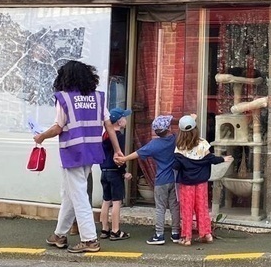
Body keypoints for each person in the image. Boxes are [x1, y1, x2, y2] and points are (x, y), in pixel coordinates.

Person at [35, 60, 119, 253]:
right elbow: (108, 124)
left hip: (72, 152)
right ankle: (59, 234)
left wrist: (40, 137)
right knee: (70, 194)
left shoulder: (64, 98)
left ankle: (89, 240)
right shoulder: (98, 97)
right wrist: (117, 150)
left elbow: (58, 127)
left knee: (78, 195)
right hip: (91, 151)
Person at [116, 114, 181, 245]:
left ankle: (159, 234)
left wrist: (123, 159)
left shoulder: (154, 144)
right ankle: (175, 233)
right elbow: (185, 132)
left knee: (160, 208)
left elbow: (138, 153)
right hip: (174, 179)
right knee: (175, 206)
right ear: (168, 128)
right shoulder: (175, 139)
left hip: (161, 180)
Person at [172, 114, 232, 246]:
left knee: (187, 209)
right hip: (201, 183)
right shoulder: (203, 144)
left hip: (186, 183)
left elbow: (176, 166)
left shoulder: (179, 148)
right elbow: (212, 159)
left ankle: (186, 237)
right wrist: (223, 159)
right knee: (202, 208)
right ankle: (206, 234)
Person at [99, 108, 131, 241]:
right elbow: (119, 156)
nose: (126, 120)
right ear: (119, 121)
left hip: (104, 171)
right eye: (124, 117)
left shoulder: (104, 136)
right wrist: (124, 172)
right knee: (117, 202)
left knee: (106, 201)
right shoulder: (119, 136)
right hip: (115, 172)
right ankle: (115, 230)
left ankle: (104, 229)